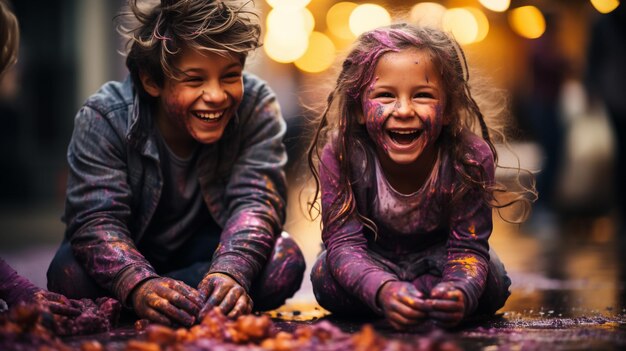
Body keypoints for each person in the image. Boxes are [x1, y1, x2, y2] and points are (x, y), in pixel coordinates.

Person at [47, 0, 305, 327]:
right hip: (131, 248)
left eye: (230, 76)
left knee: (285, 261)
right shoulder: (104, 116)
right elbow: (95, 218)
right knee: (67, 274)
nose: (215, 95)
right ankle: (178, 303)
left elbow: (256, 201)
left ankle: (180, 302)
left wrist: (231, 271)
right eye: (195, 80)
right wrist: (139, 284)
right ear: (151, 81)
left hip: (209, 254)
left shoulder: (256, 105)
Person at [307, 23, 534, 329]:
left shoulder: (468, 158)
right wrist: (382, 289)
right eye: (385, 95)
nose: (403, 110)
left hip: (441, 262)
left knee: (492, 280)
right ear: (359, 108)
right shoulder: (344, 153)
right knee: (324, 277)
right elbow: (343, 245)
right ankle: (405, 301)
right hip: (370, 261)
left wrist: (458, 292)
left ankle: (424, 301)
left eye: (423, 95)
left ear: (450, 108)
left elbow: (468, 248)